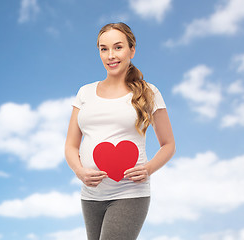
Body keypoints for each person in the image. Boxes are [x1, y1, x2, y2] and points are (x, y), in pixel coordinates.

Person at [65, 22, 175, 240]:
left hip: (130, 193)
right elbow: (70, 145)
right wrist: (80, 171)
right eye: (103, 49)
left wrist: (148, 168)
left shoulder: (149, 92)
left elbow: (168, 144)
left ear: (132, 50)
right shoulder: (84, 93)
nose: (110, 55)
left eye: (118, 47)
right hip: (91, 195)